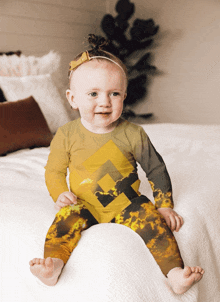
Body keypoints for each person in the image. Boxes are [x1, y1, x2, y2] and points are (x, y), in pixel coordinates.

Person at [29, 34, 204, 294]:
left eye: (114, 93)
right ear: (72, 98)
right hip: (83, 203)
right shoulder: (66, 134)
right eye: (93, 93)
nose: (104, 101)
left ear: (124, 96)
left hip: (127, 203)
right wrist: (60, 194)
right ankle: (53, 265)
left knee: (154, 224)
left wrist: (165, 205)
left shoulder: (133, 134)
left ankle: (174, 273)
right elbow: (54, 171)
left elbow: (156, 170)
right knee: (63, 223)